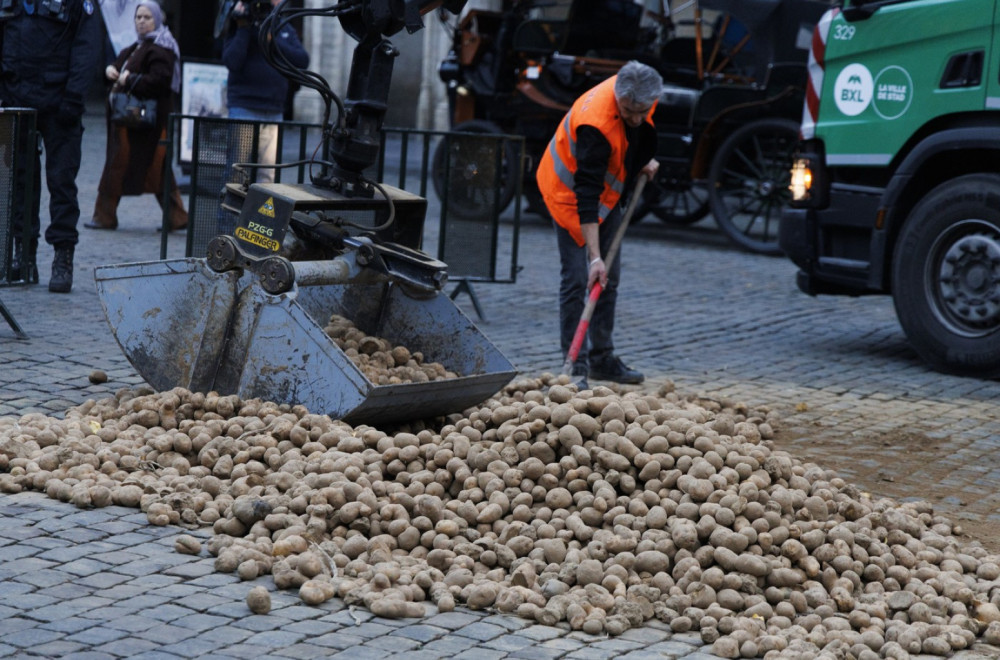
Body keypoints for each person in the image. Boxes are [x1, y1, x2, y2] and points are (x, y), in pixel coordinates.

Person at [536, 60, 661, 387]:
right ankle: (574, 368)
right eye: (628, 111)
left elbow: (633, 134)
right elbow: (586, 194)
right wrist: (594, 258)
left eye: (641, 111)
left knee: (610, 278)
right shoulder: (595, 124)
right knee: (579, 279)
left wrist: (641, 160)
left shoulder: (643, 92)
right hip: (568, 194)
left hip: (609, 193)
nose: (635, 118)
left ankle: (602, 358)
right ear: (618, 97)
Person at [0, 0, 102, 293]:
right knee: (19, 183)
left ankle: (62, 256)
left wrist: (73, 98)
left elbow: (86, 49)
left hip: (60, 104)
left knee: (61, 183)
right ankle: (23, 253)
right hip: (17, 98)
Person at [86, 0, 188, 234]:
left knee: (126, 167)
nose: (141, 22)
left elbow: (160, 81)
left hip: (148, 124)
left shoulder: (163, 47)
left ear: (157, 19)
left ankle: (105, 217)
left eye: (146, 17)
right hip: (131, 123)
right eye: (138, 17)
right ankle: (176, 216)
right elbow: (120, 64)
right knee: (152, 169)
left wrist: (129, 80)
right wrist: (111, 70)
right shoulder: (138, 46)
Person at [222, 0, 309, 184]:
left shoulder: (282, 26)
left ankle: (263, 214)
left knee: (268, 175)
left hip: (273, 110)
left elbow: (302, 60)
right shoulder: (238, 26)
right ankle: (230, 214)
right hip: (244, 108)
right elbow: (232, 61)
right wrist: (244, 28)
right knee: (237, 170)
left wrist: (271, 41)